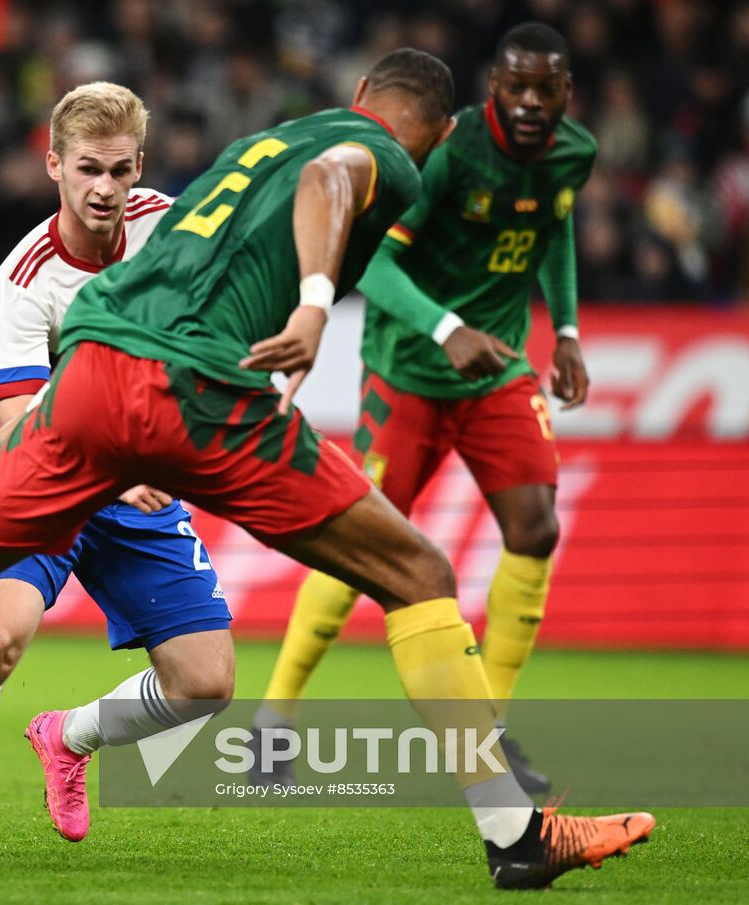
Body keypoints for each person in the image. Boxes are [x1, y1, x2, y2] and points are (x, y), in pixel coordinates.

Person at [0, 49, 651, 890]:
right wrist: (313, 305)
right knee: (419, 574)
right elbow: (331, 187)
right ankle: (513, 836)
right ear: (431, 133)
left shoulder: (255, 146)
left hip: (92, 377)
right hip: (193, 396)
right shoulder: (386, 155)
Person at [0, 82, 233, 859]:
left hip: (141, 484)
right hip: (46, 479)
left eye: (119, 169)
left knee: (206, 684)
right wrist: (118, 464)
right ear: (53, 165)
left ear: (138, 166)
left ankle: (65, 736)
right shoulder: (23, 279)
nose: (104, 188)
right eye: (87, 169)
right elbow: (20, 420)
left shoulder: (172, 231)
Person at [254, 24, 595, 797]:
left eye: (548, 89)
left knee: (537, 526)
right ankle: (272, 718)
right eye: (517, 88)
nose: (533, 103)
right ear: (493, 91)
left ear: (567, 91)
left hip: (495, 371)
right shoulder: (448, 154)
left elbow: (556, 225)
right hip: (408, 371)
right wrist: (446, 328)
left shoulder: (574, 153)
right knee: (361, 543)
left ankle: (491, 733)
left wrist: (566, 329)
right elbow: (373, 262)